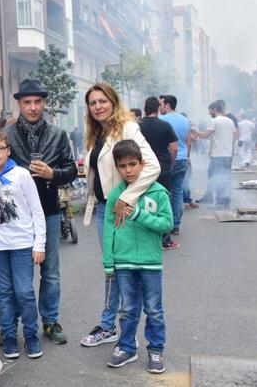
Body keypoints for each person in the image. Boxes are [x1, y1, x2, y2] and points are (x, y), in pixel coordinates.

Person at [0, 78, 77, 345]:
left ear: (44, 103)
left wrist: (52, 173)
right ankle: (12, 325)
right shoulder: (6, 135)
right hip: (13, 216)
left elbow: (71, 170)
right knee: (15, 277)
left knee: (51, 270)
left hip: (49, 209)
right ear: (19, 104)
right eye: (27, 102)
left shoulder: (58, 134)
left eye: (37, 102)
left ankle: (50, 321)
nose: (32, 107)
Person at [80, 82, 160, 348]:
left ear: (113, 102)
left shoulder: (127, 128)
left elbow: (152, 167)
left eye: (103, 101)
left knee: (121, 271)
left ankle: (117, 330)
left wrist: (125, 198)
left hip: (121, 210)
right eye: (93, 103)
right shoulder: (96, 132)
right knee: (112, 269)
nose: (98, 106)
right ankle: (112, 327)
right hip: (104, 209)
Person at [102, 140, 172, 374]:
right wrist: (108, 262)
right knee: (128, 309)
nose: (129, 170)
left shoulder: (158, 192)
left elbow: (167, 224)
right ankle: (127, 347)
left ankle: (156, 349)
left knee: (154, 309)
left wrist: (140, 215)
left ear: (142, 164)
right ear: (117, 168)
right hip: (123, 264)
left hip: (151, 263)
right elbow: (109, 230)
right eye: (122, 166)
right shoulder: (115, 196)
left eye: (133, 164)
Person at [0, 130, 46, 359]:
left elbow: (36, 210)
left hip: (22, 243)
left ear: (8, 150)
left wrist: (39, 244)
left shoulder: (21, 175)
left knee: (24, 291)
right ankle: (9, 336)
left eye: (0, 148)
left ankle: (31, 335)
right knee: (3, 292)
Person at [139, 97, 179, 250]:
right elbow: (174, 148)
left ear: (145, 109)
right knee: (163, 201)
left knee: (142, 200)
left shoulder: (137, 126)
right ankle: (166, 240)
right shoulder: (165, 125)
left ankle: (144, 236)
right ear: (157, 109)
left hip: (142, 168)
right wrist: (171, 163)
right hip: (162, 168)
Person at [193, 100, 236, 209]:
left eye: (210, 111)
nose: (209, 113)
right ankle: (225, 200)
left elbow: (204, 135)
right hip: (227, 155)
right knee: (225, 177)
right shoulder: (230, 121)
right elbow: (232, 136)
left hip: (218, 156)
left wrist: (195, 130)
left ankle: (217, 201)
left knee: (215, 176)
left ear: (215, 110)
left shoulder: (215, 121)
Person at [158, 95, 192, 236]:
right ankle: (176, 225)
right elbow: (188, 142)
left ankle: (166, 223)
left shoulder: (162, 120)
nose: (159, 107)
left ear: (167, 105)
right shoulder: (185, 120)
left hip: (169, 159)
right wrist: (187, 157)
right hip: (183, 159)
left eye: (161, 104)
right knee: (177, 192)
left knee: (165, 193)